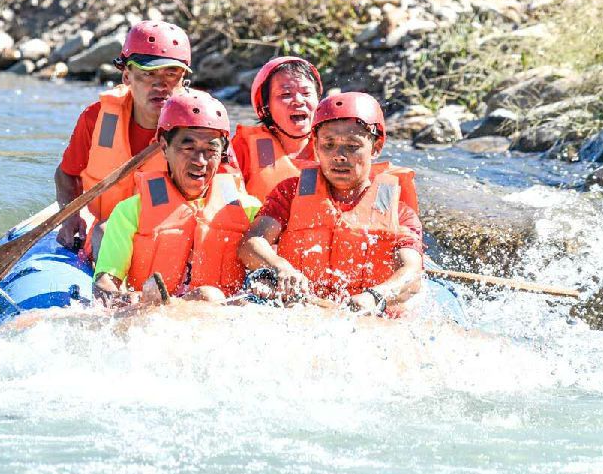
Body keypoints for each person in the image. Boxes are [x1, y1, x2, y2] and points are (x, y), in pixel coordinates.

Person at [237, 92, 423, 317]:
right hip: (303, 310)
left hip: (366, 318)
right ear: (316, 146)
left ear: (376, 147)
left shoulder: (399, 211)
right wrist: (279, 267)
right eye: (328, 144)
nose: (339, 156)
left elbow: (412, 273)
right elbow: (251, 243)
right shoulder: (290, 193)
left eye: (352, 146)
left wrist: (376, 296)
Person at [93, 89, 261, 306]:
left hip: (222, 314)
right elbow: (104, 283)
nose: (200, 161)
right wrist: (122, 299)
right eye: (188, 147)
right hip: (152, 312)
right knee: (207, 296)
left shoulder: (250, 211)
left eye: (211, 150)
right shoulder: (130, 211)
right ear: (164, 147)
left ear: (223, 152)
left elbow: (268, 274)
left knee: (209, 296)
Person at [55, 20, 192, 258]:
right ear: (127, 76)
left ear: (184, 81)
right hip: (105, 235)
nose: (160, 84)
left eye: (171, 73)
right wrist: (70, 216)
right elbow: (66, 173)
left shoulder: (202, 128)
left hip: (170, 241)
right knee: (103, 232)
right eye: (148, 73)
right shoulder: (96, 118)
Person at [231, 56, 323, 202]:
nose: (299, 101)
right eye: (286, 94)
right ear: (266, 107)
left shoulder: (333, 146)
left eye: (306, 93)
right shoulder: (243, 148)